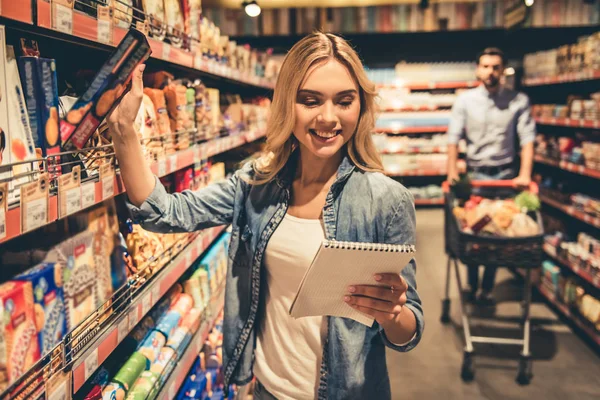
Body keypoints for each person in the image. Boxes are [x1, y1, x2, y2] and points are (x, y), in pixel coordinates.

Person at [108, 32, 423, 400]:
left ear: (360, 106)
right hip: (268, 390)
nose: (327, 117)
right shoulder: (257, 184)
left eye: (344, 101)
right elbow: (166, 213)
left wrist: (392, 314)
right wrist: (123, 131)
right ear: (287, 103)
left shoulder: (388, 200)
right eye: (310, 100)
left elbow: (408, 333)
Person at [446, 47, 536, 304]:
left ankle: (486, 286)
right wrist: (453, 172)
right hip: (475, 176)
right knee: (473, 230)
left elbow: (527, 140)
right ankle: (473, 282)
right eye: (486, 66)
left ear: (503, 70)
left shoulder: (518, 100)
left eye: (496, 67)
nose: (491, 72)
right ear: (478, 69)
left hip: (505, 176)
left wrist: (525, 174)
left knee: (498, 232)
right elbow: (453, 139)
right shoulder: (465, 101)